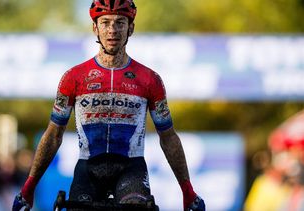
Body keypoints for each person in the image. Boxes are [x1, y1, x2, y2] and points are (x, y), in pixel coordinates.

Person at [13, 0, 205, 210]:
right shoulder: (73, 78)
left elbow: (168, 137)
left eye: (120, 22)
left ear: (130, 28)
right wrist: (28, 189)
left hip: (131, 169)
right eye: (105, 22)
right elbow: (53, 135)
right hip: (88, 168)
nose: (112, 30)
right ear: (95, 27)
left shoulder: (149, 80)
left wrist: (188, 191)